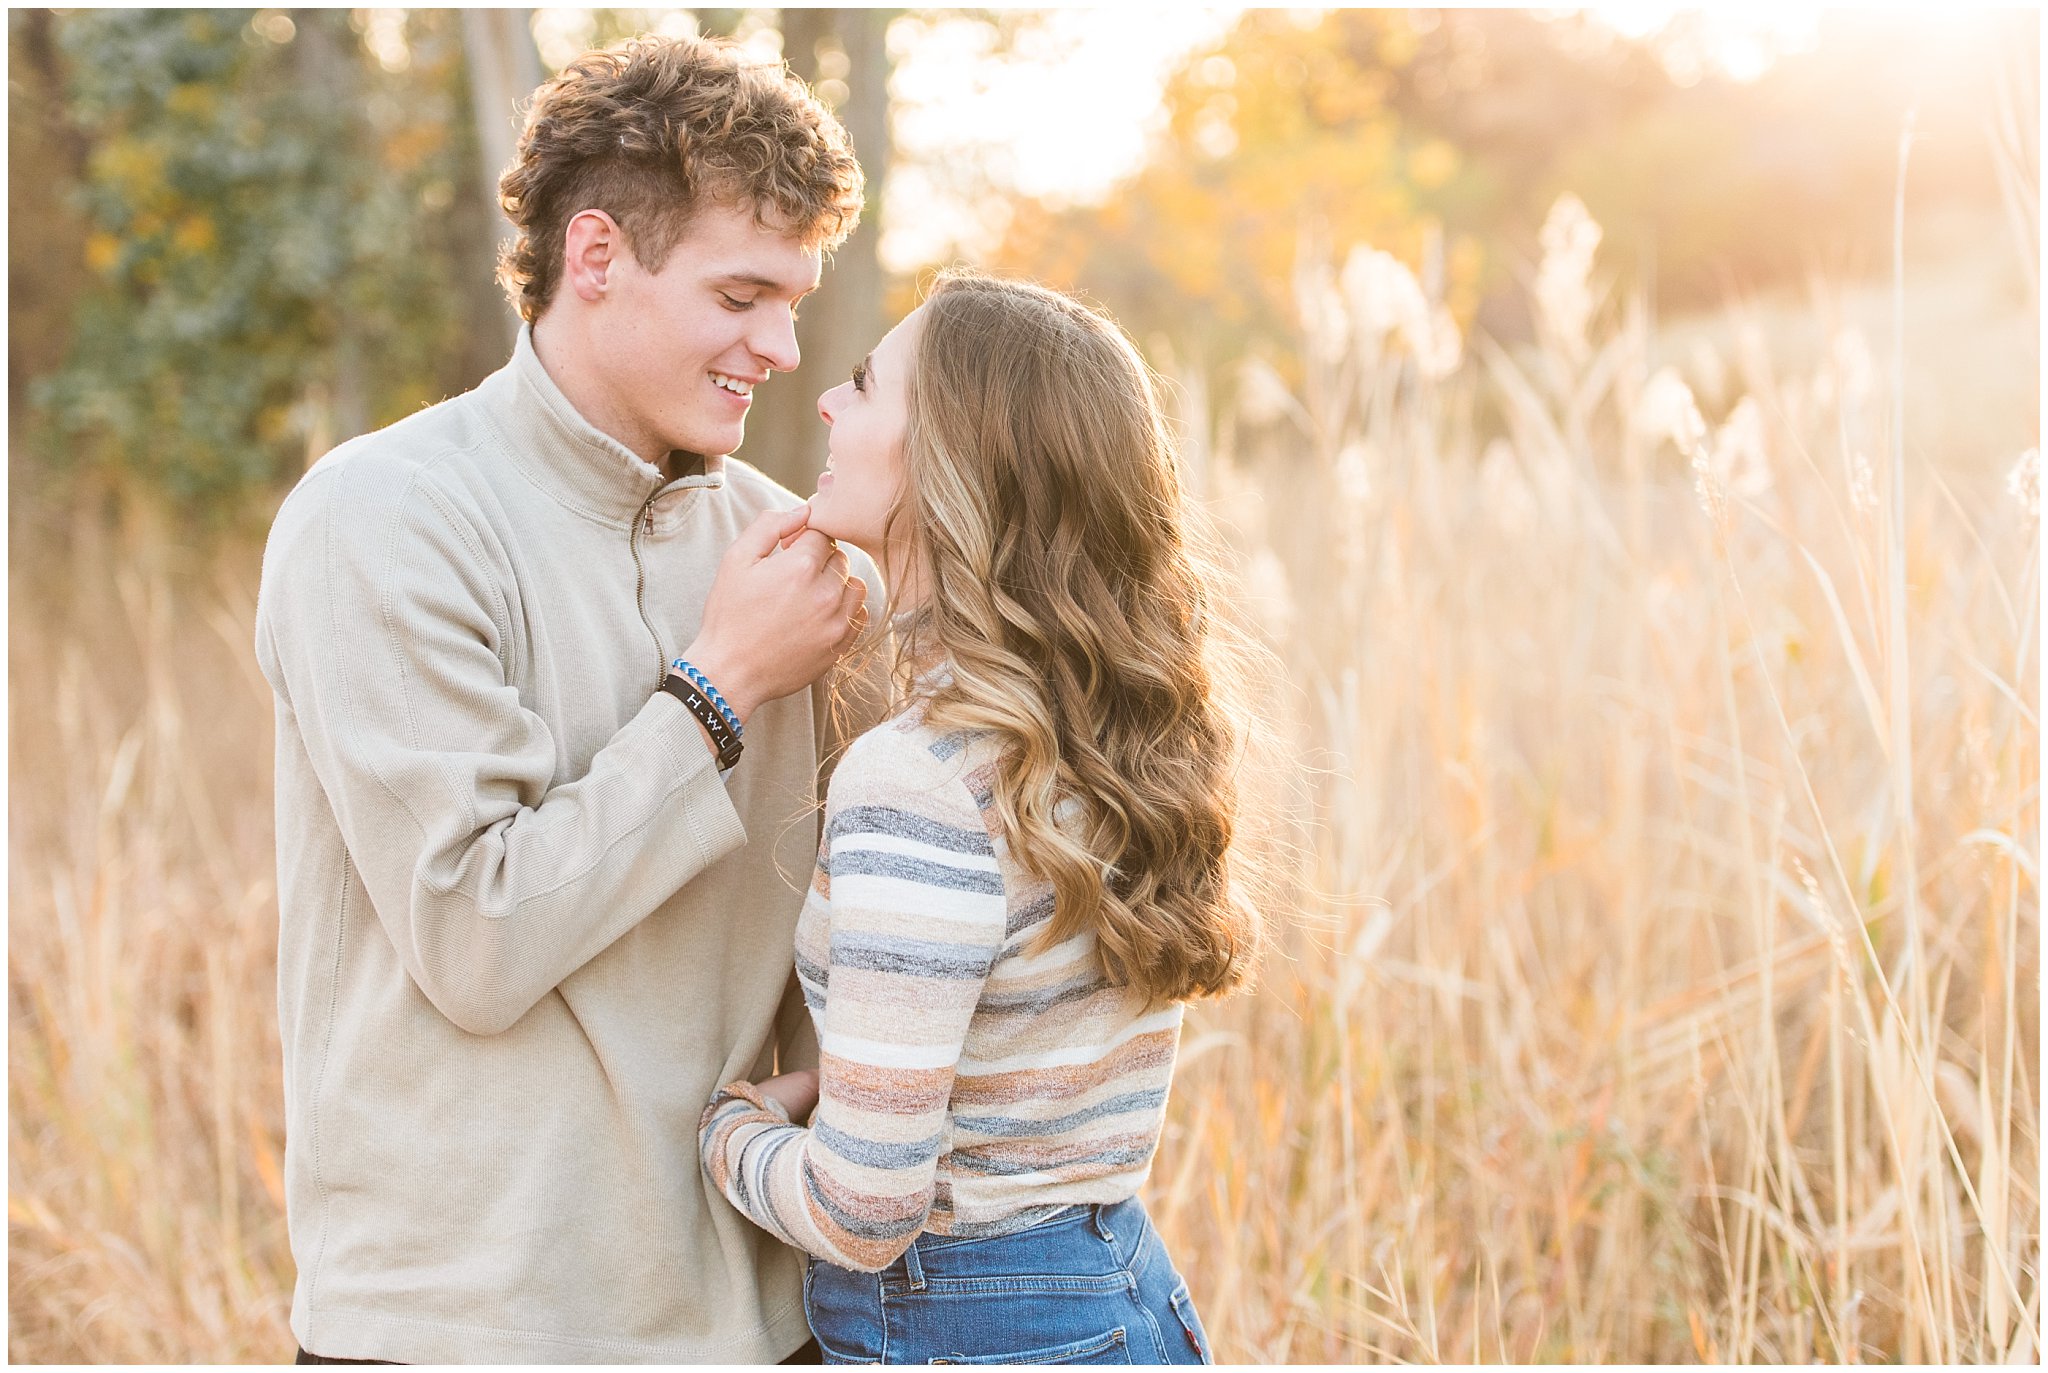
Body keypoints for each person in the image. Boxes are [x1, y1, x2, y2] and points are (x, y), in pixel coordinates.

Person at [253, 36, 882, 1364]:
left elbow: (864, 897)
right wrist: (718, 693)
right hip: (461, 1324)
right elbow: (474, 939)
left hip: (755, 1323)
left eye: (793, 300)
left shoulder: (798, 554)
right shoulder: (385, 517)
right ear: (595, 258)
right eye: (740, 294)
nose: (779, 344)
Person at [698, 273, 1271, 1365]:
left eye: (864, 385)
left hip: (970, 1324)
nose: (823, 397)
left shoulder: (915, 777)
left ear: (948, 459)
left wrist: (730, 1132)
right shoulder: (1099, 732)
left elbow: (865, 1210)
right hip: (1119, 1288)